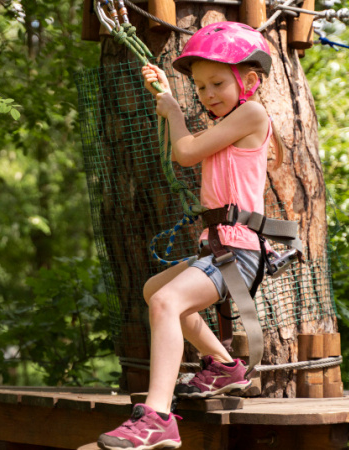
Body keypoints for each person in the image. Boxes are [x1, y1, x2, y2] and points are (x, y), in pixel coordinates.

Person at [97, 22, 286, 450]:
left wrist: (177, 113)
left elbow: (184, 152)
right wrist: (168, 97)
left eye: (217, 82)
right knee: (155, 290)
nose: (207, 93)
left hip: (239, 250)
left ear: (250, 81)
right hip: (222, 246)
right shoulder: (229, 123)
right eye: (200, 86)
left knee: (167, 302)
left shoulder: (253, 114)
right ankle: (223, 364)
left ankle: (157, 417)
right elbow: (185, 143)